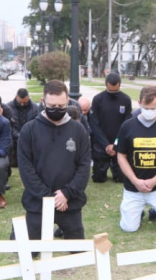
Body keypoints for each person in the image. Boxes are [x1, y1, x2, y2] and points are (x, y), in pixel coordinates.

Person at [17, 80, 91, 241]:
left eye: (60, 106)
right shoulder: (29, 130)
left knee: (77, 252)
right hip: (38, 202)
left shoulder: (78, 130)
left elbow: (84, 166)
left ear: (68, 102)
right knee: (26, 252)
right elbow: (26, 168)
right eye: (51, 106)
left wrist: (66, 193)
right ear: (43, 102)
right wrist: (49, 197)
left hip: (69, 202)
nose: (56, 110)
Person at [115, 85, 156, 233]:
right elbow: (121, 156)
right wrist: (135, 181)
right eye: (146, 107)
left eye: (153, 108)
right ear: (139, 103)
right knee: (128, 228)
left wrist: (154, 181)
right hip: (134, 188)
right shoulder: (127, 126)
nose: (150, 111)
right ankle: (138, 211)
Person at [89, 72, 132, 183]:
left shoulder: (126, 100)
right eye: (110, 91)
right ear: (106, 85)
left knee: (121, 179)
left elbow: (126, 125)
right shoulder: (97, 99)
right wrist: (106, 145)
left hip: (119, 143)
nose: (113, 93)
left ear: (120, 85)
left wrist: (116, 145)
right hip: (101, 144)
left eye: (115, 91)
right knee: (98, 179)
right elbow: (94, 124)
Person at [9, 88, 40, 167]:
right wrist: (18, 135)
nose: (22, 104)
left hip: (30, 138)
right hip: (14, 138)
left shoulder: (35, 108)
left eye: (25, 102)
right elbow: (7, 126)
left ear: (28, 98)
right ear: (16, 97)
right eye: (20, 102)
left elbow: (37, 125)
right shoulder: (8, 108)